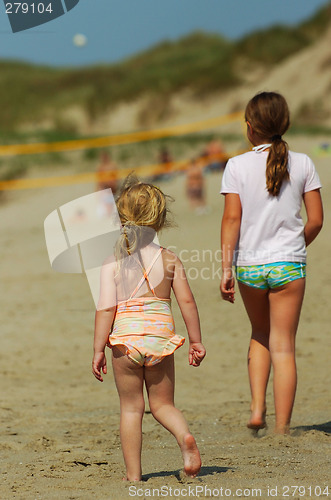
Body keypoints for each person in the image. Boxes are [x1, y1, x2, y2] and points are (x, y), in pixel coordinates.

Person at [220, 92, 323, 435]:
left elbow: (231, 220)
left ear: (249, 128)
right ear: (285, 124)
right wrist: (294, 246)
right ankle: (282, 428)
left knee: (260, 335)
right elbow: (317, 220)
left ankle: (255, 408)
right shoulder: (305, 162)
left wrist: (225, 268)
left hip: (249, 264)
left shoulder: (236, 166)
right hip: (289, 265)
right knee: (284, 345)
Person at [92, 175, 206, 481]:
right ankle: (184, 438)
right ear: (159, 220)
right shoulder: (169, 259)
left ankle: (133, 476)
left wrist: (98, 348)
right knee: (163, 405)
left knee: (131, 409)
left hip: (126, 342)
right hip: (160, 339)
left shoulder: (111, 262)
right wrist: (195, 341)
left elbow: (105, 308)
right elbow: (188, 303)